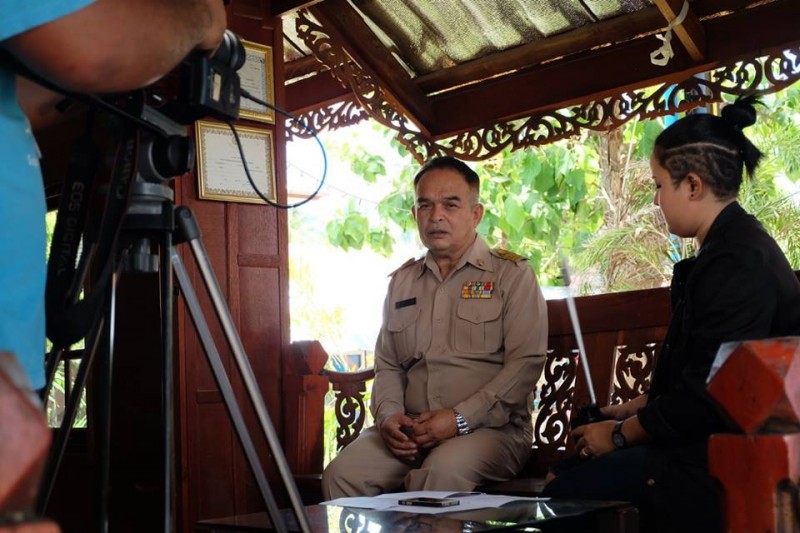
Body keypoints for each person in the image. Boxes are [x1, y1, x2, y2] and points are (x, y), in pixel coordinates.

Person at [542, 96, 800, 532]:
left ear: (693, 186)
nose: (657, 200)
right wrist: (629, 410)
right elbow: (702, 374)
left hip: (736, 458)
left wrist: (620, 435)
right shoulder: (726, 250)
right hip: (708, 439)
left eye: (660, 186)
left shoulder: (737, 262)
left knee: (564, 496)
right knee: (566, 475)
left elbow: (709, 395)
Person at [0, 1, 227, 397]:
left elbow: (25, 100)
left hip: (15, 364)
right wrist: (204, 16)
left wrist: (129, 69)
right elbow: (89, 49)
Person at [322, 156, 549, 498]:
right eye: (425, 205)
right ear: (415, 214)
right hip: (411, 431)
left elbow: (525, 365)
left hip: (491, 431)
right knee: (342, 475)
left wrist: (459, 419)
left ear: (476, 214)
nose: (436, 216)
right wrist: (389, 418)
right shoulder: (403, 282)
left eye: (450, 204)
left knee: (438, 475)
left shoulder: (511, 276)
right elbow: (388, 365)